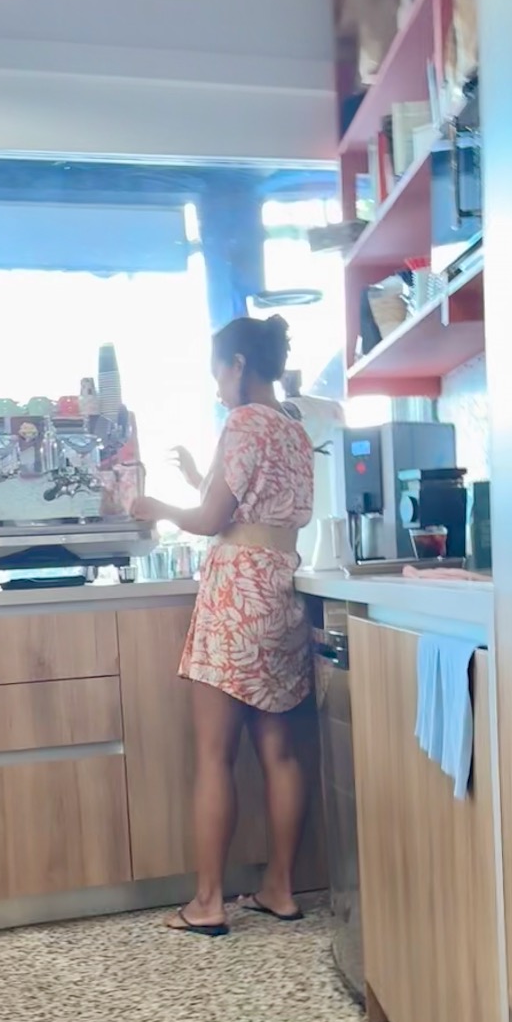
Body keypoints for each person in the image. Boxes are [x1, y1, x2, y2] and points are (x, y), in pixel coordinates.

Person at [130, 314, 314, 936]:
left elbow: (212, 519)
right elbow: (251, 501)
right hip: (280, 587)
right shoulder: (293, 426)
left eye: (217, 372)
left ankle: (208, 902)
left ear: (238, 364)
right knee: (280, 753)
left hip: (236, 593)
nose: (216, 388)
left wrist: (157, 506)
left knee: (214, 755)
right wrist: (192, 481)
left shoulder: (242, 422)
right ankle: (281, 890)